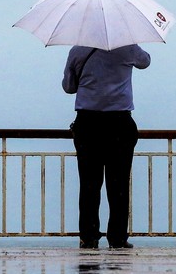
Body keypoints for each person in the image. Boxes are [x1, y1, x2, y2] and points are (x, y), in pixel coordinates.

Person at [62, 44, 151, 249]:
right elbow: (145, 61)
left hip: (88, 123)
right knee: (118, 184)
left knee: (89, 183)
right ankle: (118, 237)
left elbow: (69, 87)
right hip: (119, 123)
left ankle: (89, 235)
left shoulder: (78, 51)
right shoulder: (127, 47)